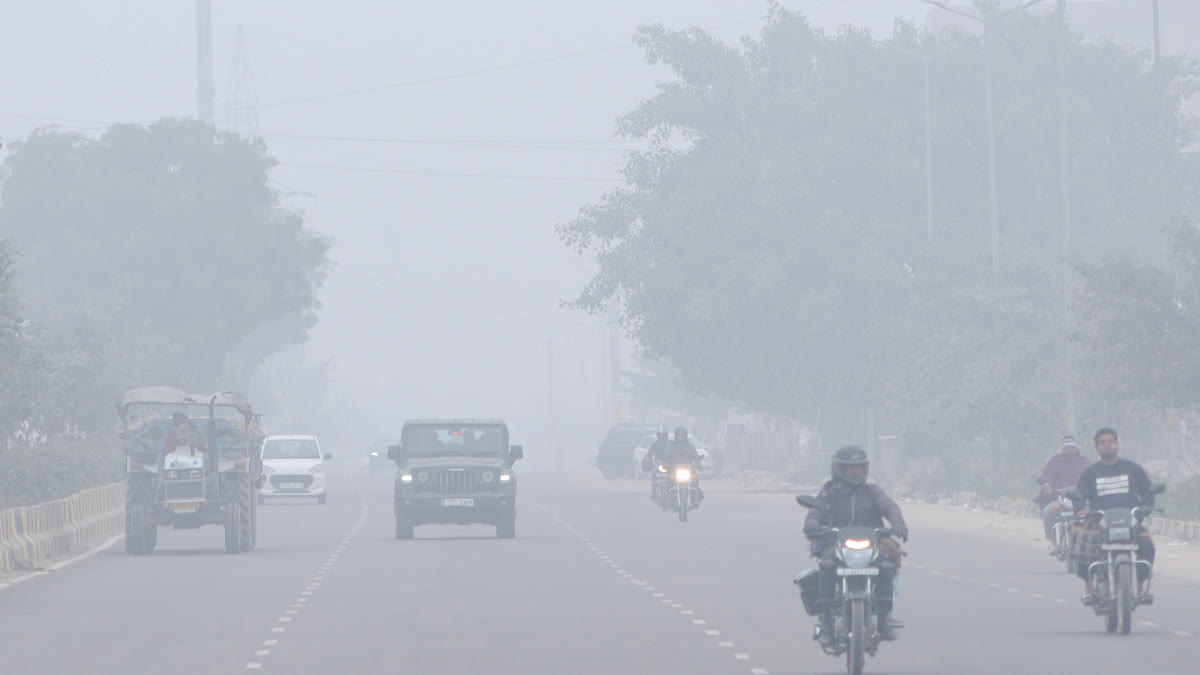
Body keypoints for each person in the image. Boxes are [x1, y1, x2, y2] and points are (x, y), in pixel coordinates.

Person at [804, 445, 908, 645]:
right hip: (835, 545)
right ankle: (826, 623)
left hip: (871, 545)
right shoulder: (828, 492)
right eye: (851, 468)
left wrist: (898, 524)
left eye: (860, 468)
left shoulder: (873, 491)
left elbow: (890, 507)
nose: (856, 472)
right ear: (839, 469)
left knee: (886, 565)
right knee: (826, 564)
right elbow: (815, 513)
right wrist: (812, 524)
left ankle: (884, 620)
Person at [1071, 428, 1157, 605]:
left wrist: (1145, 508)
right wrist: (1080, 509)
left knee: (1147, 545)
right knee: (1082, 543)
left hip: (1130, 523)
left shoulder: (1132, 468)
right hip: (1099, 523)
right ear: (1097, 448)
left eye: (1110, 441)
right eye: (1102, 442)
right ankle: (1089, 589)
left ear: (1117, 445)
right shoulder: (1090, 473)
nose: (1107, 445)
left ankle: (1139, 586)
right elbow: (1079, 495)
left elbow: (1148, 491)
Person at [1035, 435, 1092, 553]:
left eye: (1071, 447)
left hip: (1081, 501)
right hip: (1059, 499)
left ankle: (1093, 542)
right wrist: (1046, 485)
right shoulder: (1055, 461)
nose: (1069, 450)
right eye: (1066, 448)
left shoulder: (1084, 461)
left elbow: (1092, 476)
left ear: (1075, 448)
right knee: (1048, 512)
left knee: (1094, 513)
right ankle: (1052, 542)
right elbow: (1046, 476)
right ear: (1063, 449)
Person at [665, 427, 705, 505]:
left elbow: (696, 457)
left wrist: (698, 463)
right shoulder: (670, 446)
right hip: (674, 469)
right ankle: (669, 498)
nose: (681, 437)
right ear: (676, 436)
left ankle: (694, 497)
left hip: (688, 469)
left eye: (682, 435)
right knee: (669, 481)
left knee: (695, 479)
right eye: (679, 436)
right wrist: (667, 464)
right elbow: (666, 457)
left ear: (685, 436)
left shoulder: (690, 446)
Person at [643, 427, 672, 501]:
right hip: (658, 464)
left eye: (664, 435)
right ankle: (654, 492)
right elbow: (649, 454)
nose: (662, 437)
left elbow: (677, 453)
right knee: (653, 474)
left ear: (666, 435)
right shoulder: (654, 444)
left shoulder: (671, 443)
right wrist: (647, 460)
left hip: (669, 464)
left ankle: (675, 490)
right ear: (657, 435)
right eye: (660, 435)